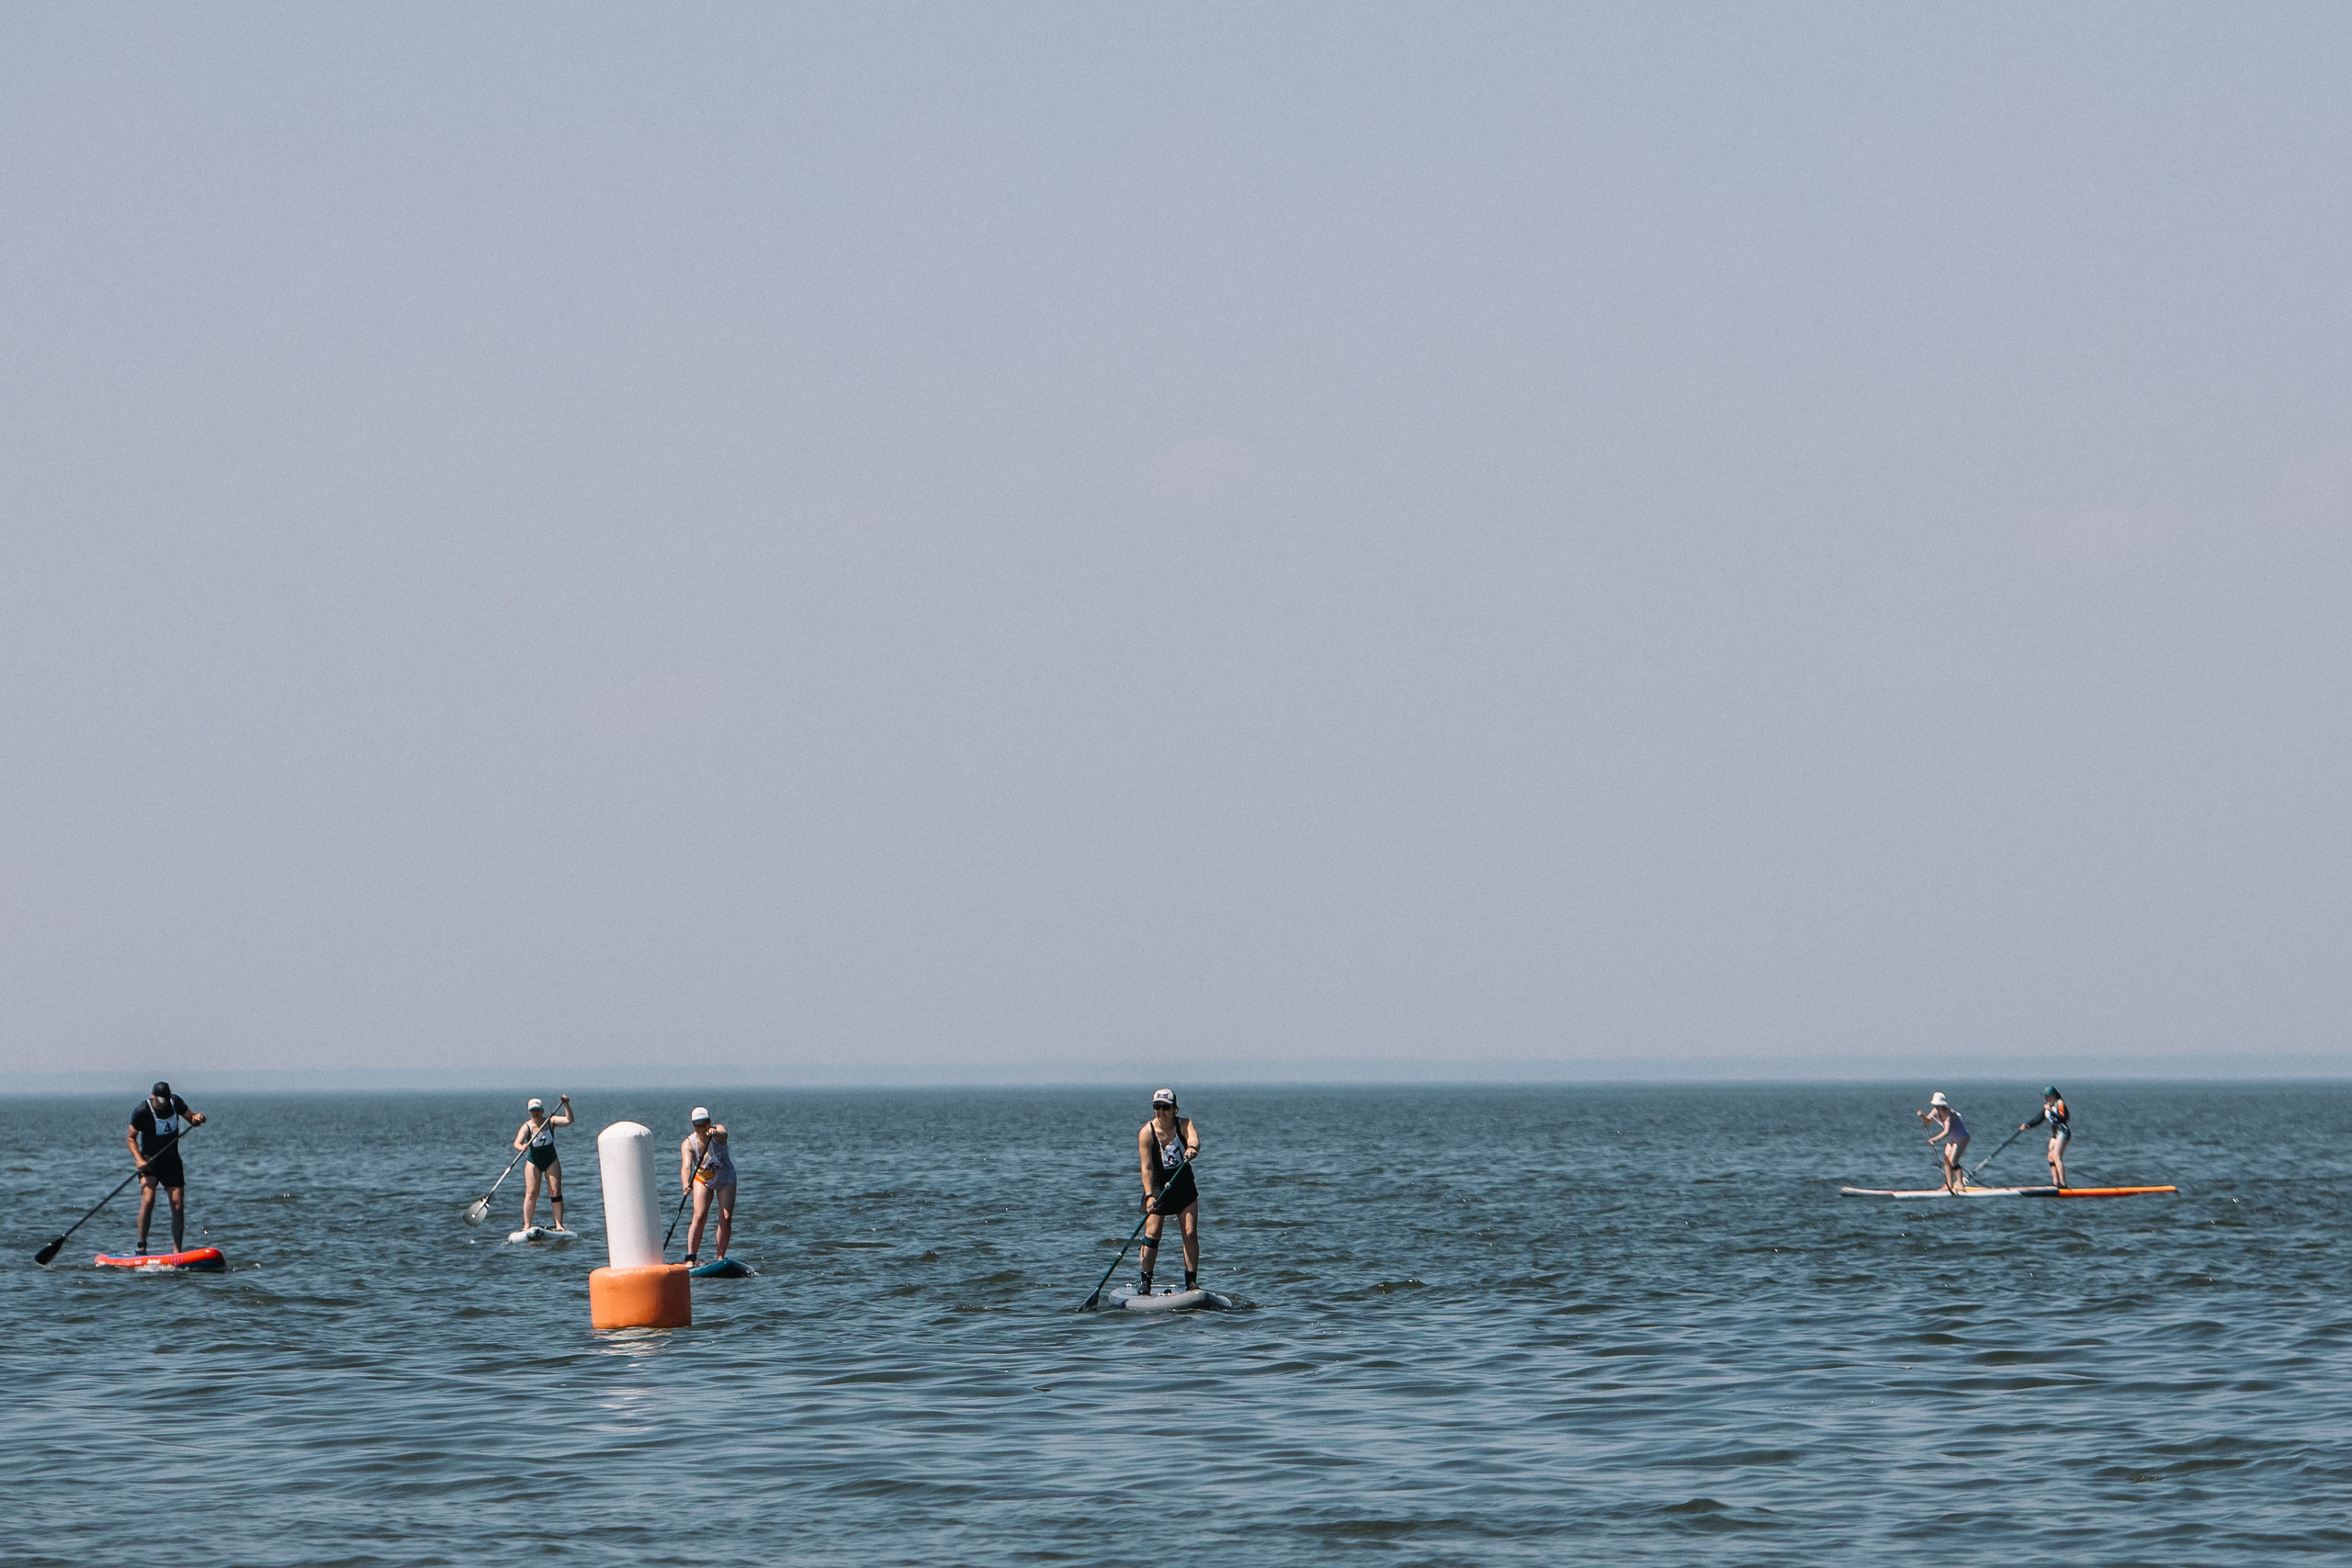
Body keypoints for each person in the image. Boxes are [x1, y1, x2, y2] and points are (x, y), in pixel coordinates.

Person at [127, 1082, 207, 1255]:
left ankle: (177, 1251)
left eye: (165, 1100)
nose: (163, 1104)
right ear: (152, 1096)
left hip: (171, 1162)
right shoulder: (142, 1111)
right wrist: (139, 1160)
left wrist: (198, 1119)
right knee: (148, 1200)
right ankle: (141, 1247)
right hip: (150, 1163)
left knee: (178, 1205)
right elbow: (131, 1138)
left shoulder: (175, 1102)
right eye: (160, 1100)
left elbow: (191, 1118)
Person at [1135, 1089, 1201, 1294]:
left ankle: (1191, 1282)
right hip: (1157, 1184)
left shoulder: (1184, 1124)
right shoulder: (1147, 1132)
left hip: (1182, 1183)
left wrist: (1192, 1149)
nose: (1160, 1111)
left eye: (1165, 1107)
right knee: (1152, 1233)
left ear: (1174, 1109)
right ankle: (1146, 1280)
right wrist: (1149, 1196)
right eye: (1157, 1107)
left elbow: (1194, 1141)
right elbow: (1146, 1168)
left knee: (1189, 1233)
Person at [679, 1107, 737, 1264]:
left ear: (710, 1122)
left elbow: (724, 1134)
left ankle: (720, 1257)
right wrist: (686, 1184)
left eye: (705, 1124)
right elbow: (686, 1167)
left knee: (726, 1217)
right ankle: (691, 1258)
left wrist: (715, 1133)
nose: (702, 1128)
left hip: (725, 1178)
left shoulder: (717, 1131)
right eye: (698, 1125)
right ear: (693, 1126)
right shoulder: (688, 1144)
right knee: (699, 1215)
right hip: (703, 1179)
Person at [511, 1095, 573, 1232]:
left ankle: (559, 1225)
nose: (536, 1114)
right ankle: (527, 1225)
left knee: (555, 1191)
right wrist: (522, 1147)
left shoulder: (550, 1121)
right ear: (529, 1112)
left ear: (542, 1110)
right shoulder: (527, 1127)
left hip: (551, 1160)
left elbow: (569, 1120)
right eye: (533, 1111)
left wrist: (566, 1105)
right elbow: (517, 1142)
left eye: (538, 1110)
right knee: (532, 1193)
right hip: (534, 1161)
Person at [1917, 1091, 1970, 1194]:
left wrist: (1935, 1139)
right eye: (1935, 1105)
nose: (1936, 1107)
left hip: (1962, 1137)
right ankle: (1949, 1185)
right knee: (1946, 1161)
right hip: (1953, 1138)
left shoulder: (1949, 1113)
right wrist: (1922, 1115)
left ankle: (1960, 1184)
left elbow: (1947, 1131)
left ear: (1942, 1104)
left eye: (1938, 1105)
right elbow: (1928, 1121)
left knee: (1953, 1160)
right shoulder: (1935, 1111)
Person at [2019, 1087, 2071, 1189]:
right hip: (2055, 1134)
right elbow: (2039, 1118)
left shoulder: (2060, 1104)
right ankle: (2055, 1183)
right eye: (2045, 1096)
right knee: (2050, 1157)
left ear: (2053, 1096)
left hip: (2063, 1132)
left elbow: (2063, 1117)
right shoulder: (2048, 1106)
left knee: (2056, 1156)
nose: (2046, 1098)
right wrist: (2027, 1125)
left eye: (2047, 1096)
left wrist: (2051, 1111)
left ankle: (2063, 1183)